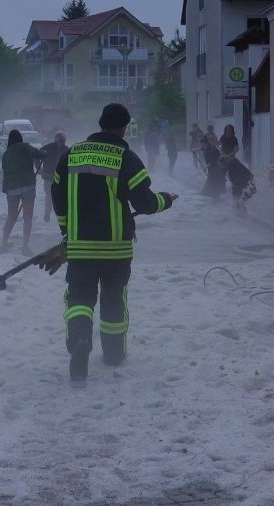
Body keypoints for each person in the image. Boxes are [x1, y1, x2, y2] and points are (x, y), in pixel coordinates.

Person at [49, 103, 178, 381]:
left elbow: (57, 194)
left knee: (80, 298)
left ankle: (80, 341)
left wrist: (66, 228)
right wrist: (166, 200)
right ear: (123, 128)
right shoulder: (126, 158)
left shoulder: (71, 154)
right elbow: (144, 203)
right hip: (116, 248)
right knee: (112, 300)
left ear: (100, 123)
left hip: (81, 245)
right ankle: (113, 353)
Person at [0, 129, 47, 255]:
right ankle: (25, 247)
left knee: (11, 217)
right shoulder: (25, 147)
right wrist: (45, 152)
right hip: (27, 186)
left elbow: (5, 172)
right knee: (27, 217)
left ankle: (3, 243)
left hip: (12, 188)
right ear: (20, 138)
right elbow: (39, 154)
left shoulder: (6, 154)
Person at [40, 132, 68, 222]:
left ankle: (61, 215)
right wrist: (39, 169)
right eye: (60, 141)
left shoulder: (67, 150)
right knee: (49, 196)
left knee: (61, 197)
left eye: (63, 141)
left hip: (61, 179)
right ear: (56, 140)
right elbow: (36, 157)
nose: (62, 143)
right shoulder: (47, 148)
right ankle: (47, 215)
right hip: (49, 177)